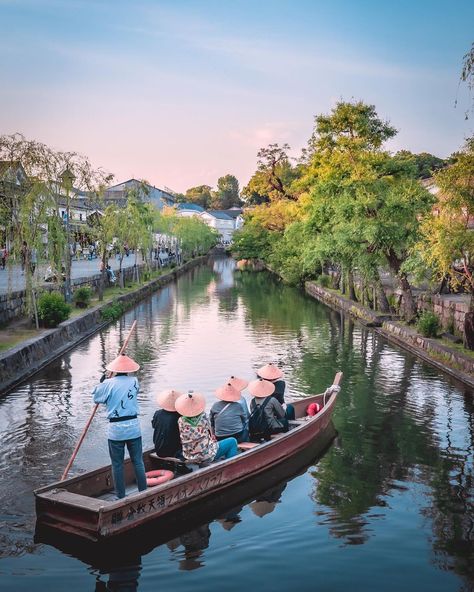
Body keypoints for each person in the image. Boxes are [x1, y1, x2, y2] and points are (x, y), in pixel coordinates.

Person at [92, 353, 147, 499]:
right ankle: (144, 491)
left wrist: (102, 381)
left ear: (114, 369)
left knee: (117, 464)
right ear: (129, 370)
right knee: (138, 461)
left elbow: (96, 398)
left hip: (116, 430)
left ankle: (120, 496)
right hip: (134, 427)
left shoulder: (107, 384)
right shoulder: (135, 381)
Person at [175, 392, 238, 464]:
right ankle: (231, 465)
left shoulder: (181, 420)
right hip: (205, 455)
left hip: (189, 455)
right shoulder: (203, 416)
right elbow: (211, 433)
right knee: (232, 441)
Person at [152, 389, 184, 458]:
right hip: (173, 452)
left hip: (159, 449)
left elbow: (154, 426)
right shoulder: (180, 416)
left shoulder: (157, 413)